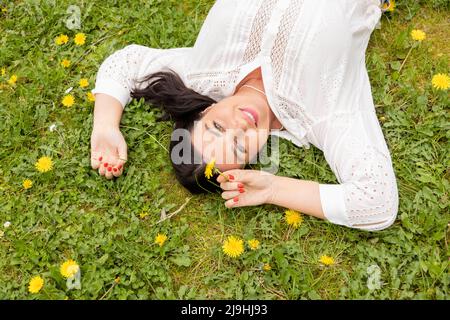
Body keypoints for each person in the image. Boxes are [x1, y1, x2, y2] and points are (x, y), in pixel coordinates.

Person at [90, 0, 398, 231]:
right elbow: (376, 202)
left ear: (206, 109)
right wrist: (274, 188)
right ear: (253, 156)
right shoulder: (324, 113)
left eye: (218, 126)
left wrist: (105, 126)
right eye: (239, 146)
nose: (240, 126)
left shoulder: (204, 72)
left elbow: (126, 64)